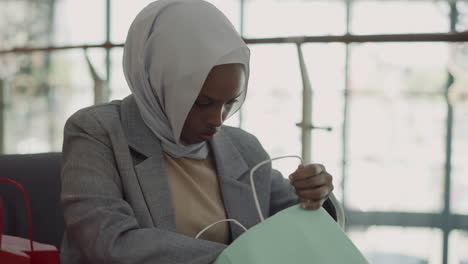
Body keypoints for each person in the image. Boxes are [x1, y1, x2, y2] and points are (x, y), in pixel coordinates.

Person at [60, 0, 341, 263]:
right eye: (202, 103)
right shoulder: (98, 133)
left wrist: (317, 195)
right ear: (159, 83)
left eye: (230, 102)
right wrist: (242, 257)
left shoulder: (243, 148)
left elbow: (303, 225)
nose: (217, 120)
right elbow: (110, 242)